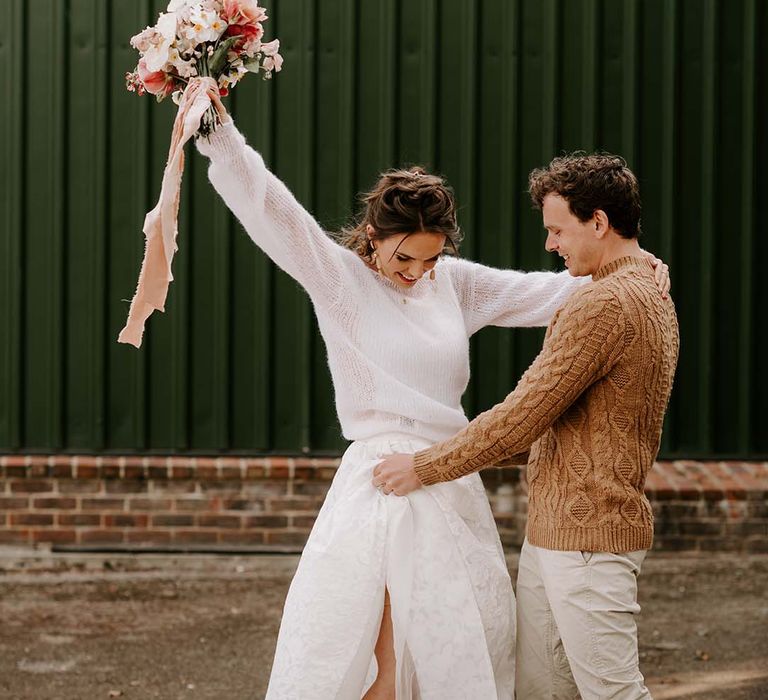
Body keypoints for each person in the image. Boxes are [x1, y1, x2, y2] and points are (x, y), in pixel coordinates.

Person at [194, 86, 669, 699]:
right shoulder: (337, 279)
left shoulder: (455, 285)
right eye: (405, 257)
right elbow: (270, 208)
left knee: (452, 657)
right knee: (382, 662)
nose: (417, 272)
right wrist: (214, 129)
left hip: (447, 480)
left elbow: (552, 291)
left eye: (431, 257)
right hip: (386, 484)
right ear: (372, 234)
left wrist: (632, 264)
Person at [374, 153, 679, 699]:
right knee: (541, 692)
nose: (551, 245)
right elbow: (565, 426)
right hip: (562, 534)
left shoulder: (605, 304)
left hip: (587, 542)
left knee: (614, 693)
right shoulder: (649, 291)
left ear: (600, 223)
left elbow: (522, 417)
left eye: (558, 229)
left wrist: (423, 466)